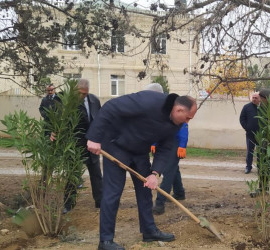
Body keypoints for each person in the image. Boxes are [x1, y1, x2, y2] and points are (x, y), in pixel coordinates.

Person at [86, 90, 197, 250]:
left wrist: (154, 173)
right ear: (179, 110)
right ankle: (105, 241)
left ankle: (149, 231)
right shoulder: (150, 101)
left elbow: (165, 148)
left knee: (145, 190)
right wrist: (94, 138)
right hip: (116, 145)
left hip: (139, 152)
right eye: (188, 117)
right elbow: (111, 107)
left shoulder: (176, 125)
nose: (187, 122)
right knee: (113, 192)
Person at [60, 79, 103, 213]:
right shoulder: (67, 103)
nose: (82, 96)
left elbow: (100, 120)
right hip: (75, 146)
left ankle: (100, 202)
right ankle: (68, 204)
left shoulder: (94, 101)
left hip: (92, 144)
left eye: (85, 94)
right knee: (73, 175)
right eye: (80, 93)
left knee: (96, 174)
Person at [152, 123, 188, 215]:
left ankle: (159, 204)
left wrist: (182, 145)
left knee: (168, 172)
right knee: (173, 169)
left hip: (174, 144)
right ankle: (179, 193)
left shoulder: (175, 110)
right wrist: (154, 143)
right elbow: (157, 128)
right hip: (162, 143)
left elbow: (183, 125)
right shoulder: (159, 112)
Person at [250, 89, 270, 197]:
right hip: (263, 144)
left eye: (261, 99)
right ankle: (262, 189)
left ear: (266, 98)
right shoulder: (262, 108)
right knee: (262, 167)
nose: (260, 101)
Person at [239, 92, 261, 174]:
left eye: (256, 98)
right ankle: (248, 167)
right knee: (250, 151)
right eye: (253, 97)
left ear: (259, 99)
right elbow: (242, 119)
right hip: (250, 134)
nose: (254, 99)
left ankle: (260, 167)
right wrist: (247, 128)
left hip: (261, 134)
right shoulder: (246, 107)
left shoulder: (263, 107)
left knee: (260, 152)